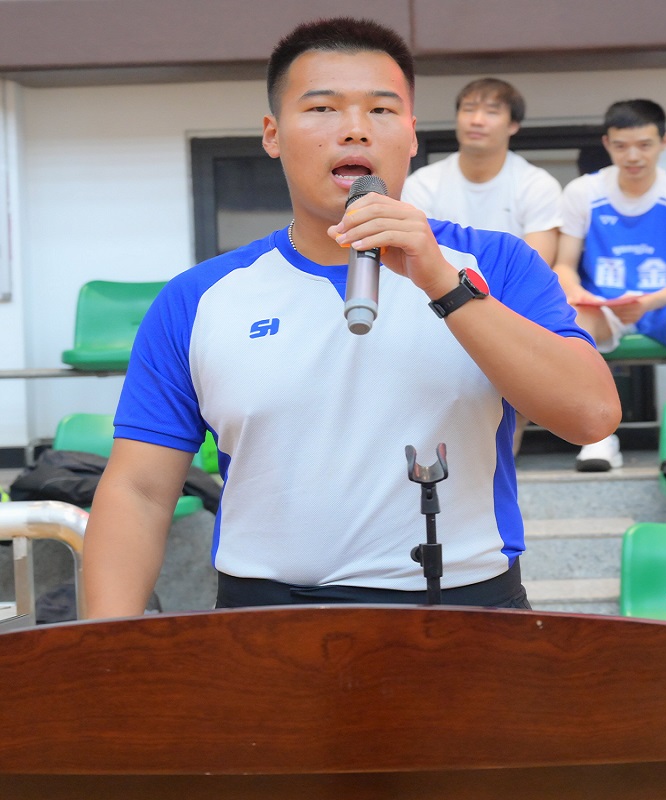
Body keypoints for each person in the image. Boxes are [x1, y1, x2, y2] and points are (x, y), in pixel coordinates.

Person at [81, 17, 621, 617]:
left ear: (411, 135)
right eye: (322, 108)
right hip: (264, 621)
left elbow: (591, 416)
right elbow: (139, 491)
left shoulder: (495, 264)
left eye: (382, 110)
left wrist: (442, 283)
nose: (356, 129)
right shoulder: (199, 297)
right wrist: (105, 655)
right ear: (272, 134)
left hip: (465, 613)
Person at [554, 99, 666, 472]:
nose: (633, 156)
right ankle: (597, 438)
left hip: (661, 305)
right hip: (602, 306)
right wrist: (577, 294)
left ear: (664, 142)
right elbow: (563, 265)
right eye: (621, 146)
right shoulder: (583, 192)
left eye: (644, 145)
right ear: (607, 143)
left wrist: (647, 302)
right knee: (572, 319)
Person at [402, 77, 563, 452]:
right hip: (437, 301)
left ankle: (506, 448)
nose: (476, 120)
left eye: (491, 112)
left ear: (513, 125)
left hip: (510, 304)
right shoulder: (424, 183)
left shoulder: (536, 184)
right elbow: (414, 263)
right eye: (468, 109)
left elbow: (536, 267)